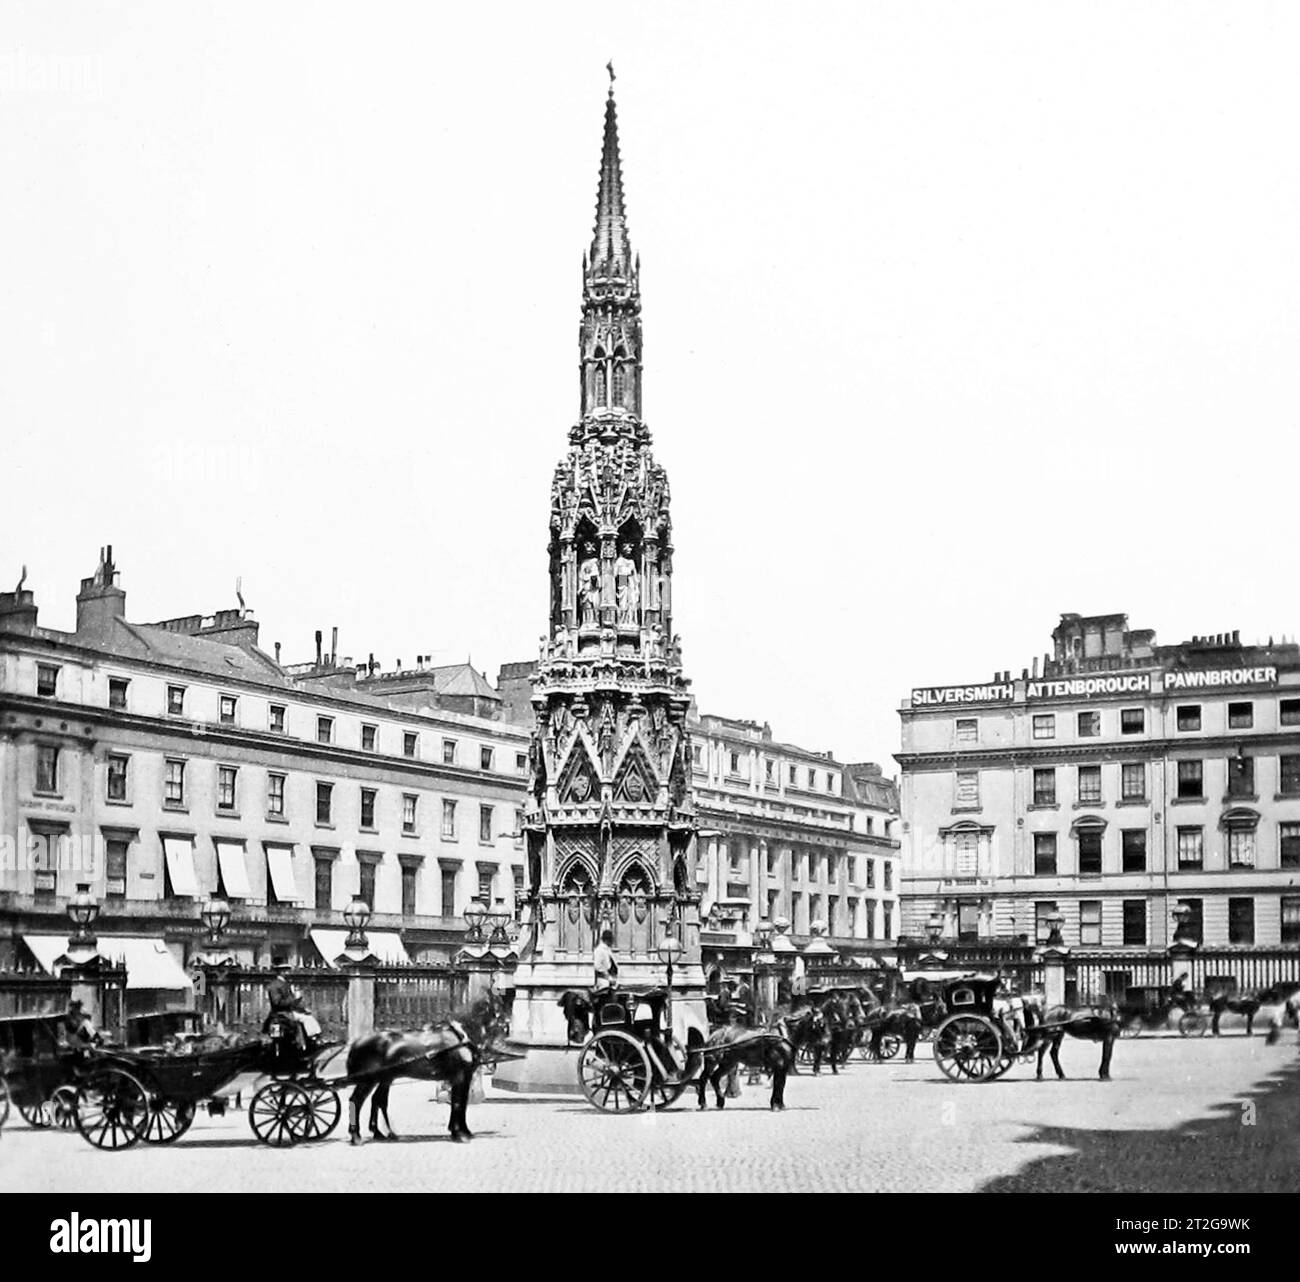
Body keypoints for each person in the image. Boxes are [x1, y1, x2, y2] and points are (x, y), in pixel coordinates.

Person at [263, 963, 322, 1052]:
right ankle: (310, 1040)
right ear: (280, 972)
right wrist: (294, 998)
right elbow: (278, 1003)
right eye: (285, 970)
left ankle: (308, 1041)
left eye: (287, 970)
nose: (288, 972)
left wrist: (302, 1008)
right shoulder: (275, 985)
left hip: (287, 1011)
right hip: (282, 1013)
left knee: (306, 1015)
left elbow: (291, 1003)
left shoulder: (284, 983)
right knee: (308, 1019)